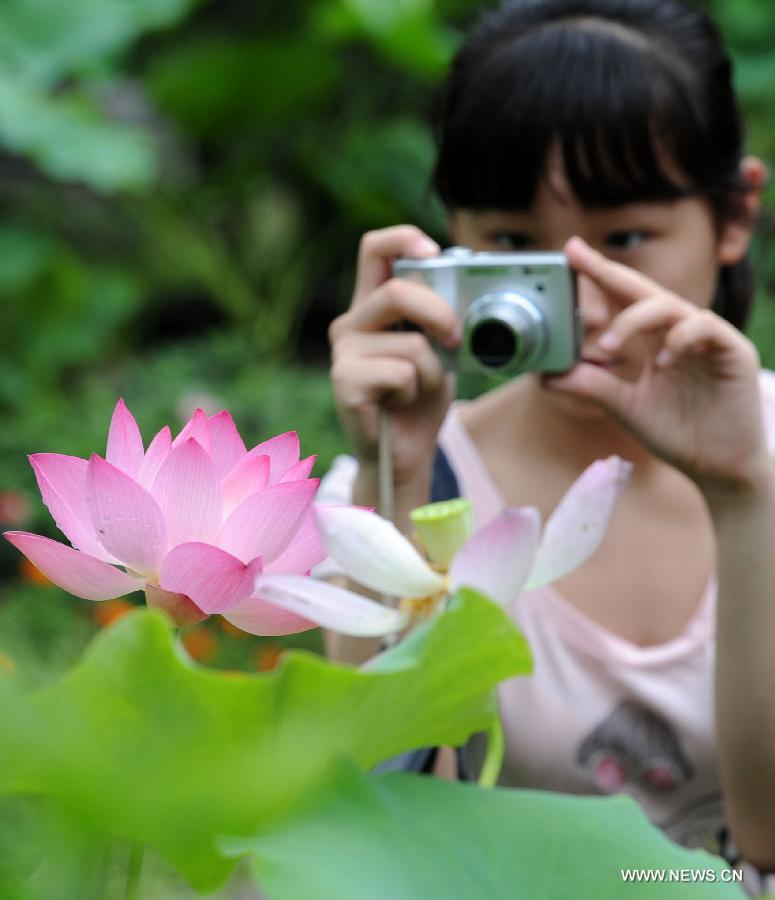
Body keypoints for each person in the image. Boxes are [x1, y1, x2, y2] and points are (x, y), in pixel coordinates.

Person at [321, 0, 775, 879]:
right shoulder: (391, 485)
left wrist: (744, 493)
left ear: (733, 215)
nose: (576, 299)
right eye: (513, 244)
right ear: (449, 238)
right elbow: (393, 847)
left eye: (624, 239)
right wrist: (399, 478)